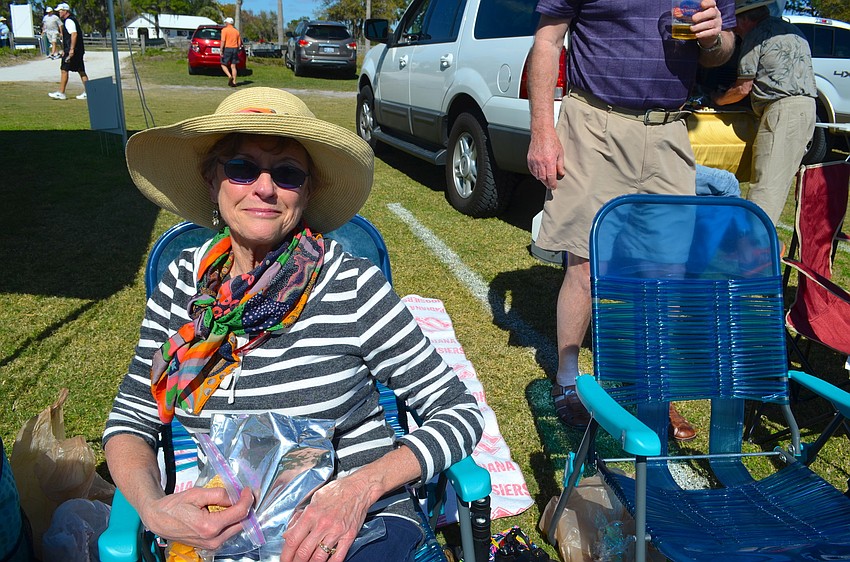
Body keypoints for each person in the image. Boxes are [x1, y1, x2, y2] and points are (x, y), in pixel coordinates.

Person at [102, 87, 485, 562]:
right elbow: (131, 418)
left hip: (356, 527)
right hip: (227, 536)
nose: (264, 188)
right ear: (211, 180)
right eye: (241, 167)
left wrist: (360, 488)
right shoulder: (182, 284)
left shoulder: (349, 284)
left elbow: (458, 411)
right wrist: (155, 508)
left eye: (286, 173)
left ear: (307, 192)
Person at [527, 0, 736, 436]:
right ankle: (568, 378)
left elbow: (721, 51)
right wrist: (543, 132)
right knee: (584, 261)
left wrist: (715, 38)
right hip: (593, 124)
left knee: (666, 272)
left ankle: (652, 389)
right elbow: (548, 39)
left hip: (670, 130)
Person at [712, 0, 816, 225]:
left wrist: (716, 98)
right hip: (804, 109)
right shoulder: (793, 30)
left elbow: (742, 88)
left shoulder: (757, 34)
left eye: (735, 24)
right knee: (776, 183)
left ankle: (753, 246)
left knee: (766, 187)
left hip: (782, 111)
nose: (735, 30)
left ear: (745, 19)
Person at [48, 3, 87, 100]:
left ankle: (61, 92)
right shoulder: (71, 20)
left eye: (60, 10)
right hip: (76, 50)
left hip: (73, 50)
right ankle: (88, 91)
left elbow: (74, 35)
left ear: (65, 11)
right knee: (81, 70)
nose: (59, 12)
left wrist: (71, 49)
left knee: (64, 69)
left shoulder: (69, 21)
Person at [220, 17, 242, 87]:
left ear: (227, 23)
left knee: (223, 64)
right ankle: (234, 82)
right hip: (235, 48)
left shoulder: (224, 30)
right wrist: (238, 49)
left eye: (226, 22)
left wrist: (221, 50)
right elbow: (239, 43)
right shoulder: (236, 31)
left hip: (228, 48)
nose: (225, 23)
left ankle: (230, 76)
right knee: (233, 66)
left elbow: (223, 40)